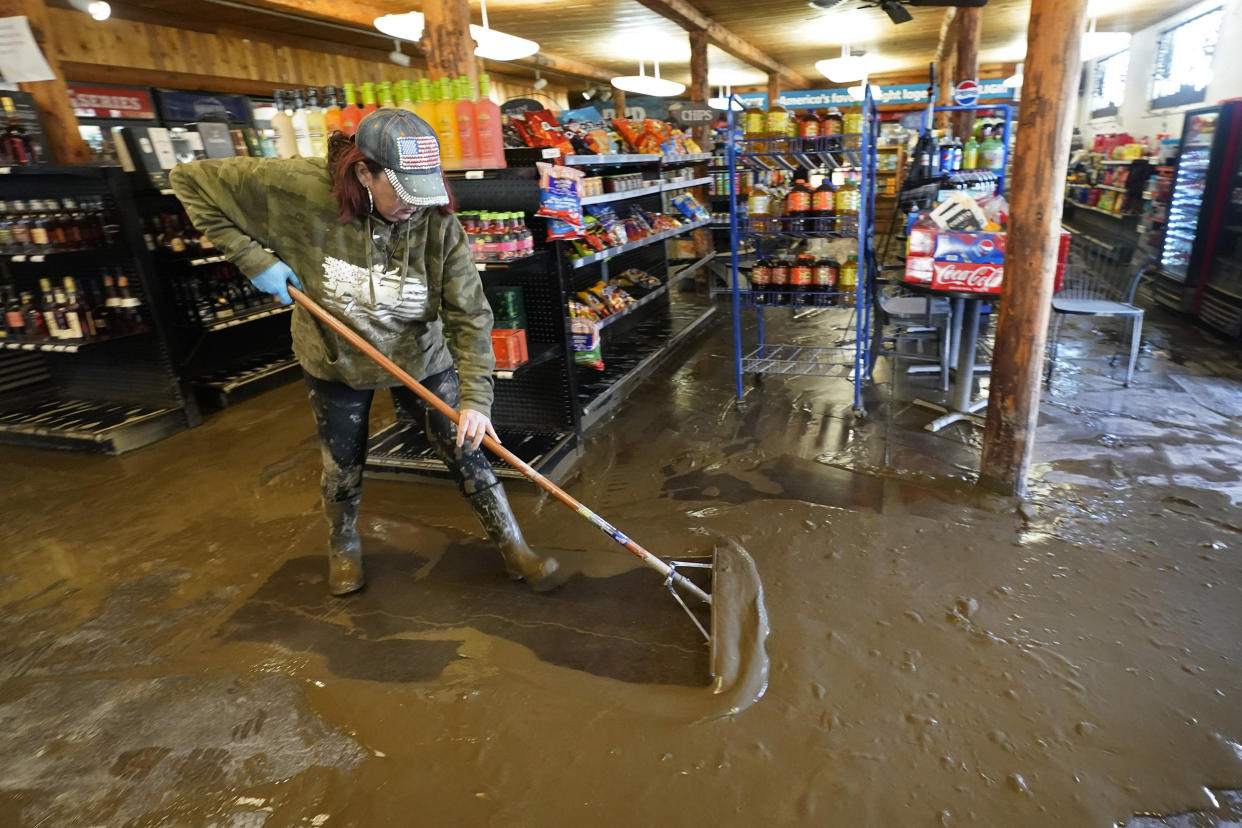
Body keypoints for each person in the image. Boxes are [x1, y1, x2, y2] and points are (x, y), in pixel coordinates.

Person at [170, 108, 559, 595]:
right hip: (336, 357)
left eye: (425, 192)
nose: (415, 207)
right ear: (364, 172)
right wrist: (252, 259)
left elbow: (470, 315)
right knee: (343, 464)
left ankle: (512, 544)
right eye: (403, 193)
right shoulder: (296, 189)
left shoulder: (437, 225)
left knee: (468, 452)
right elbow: (187, 179)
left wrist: (476, 399)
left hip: (419, 355)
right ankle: (344, 544)